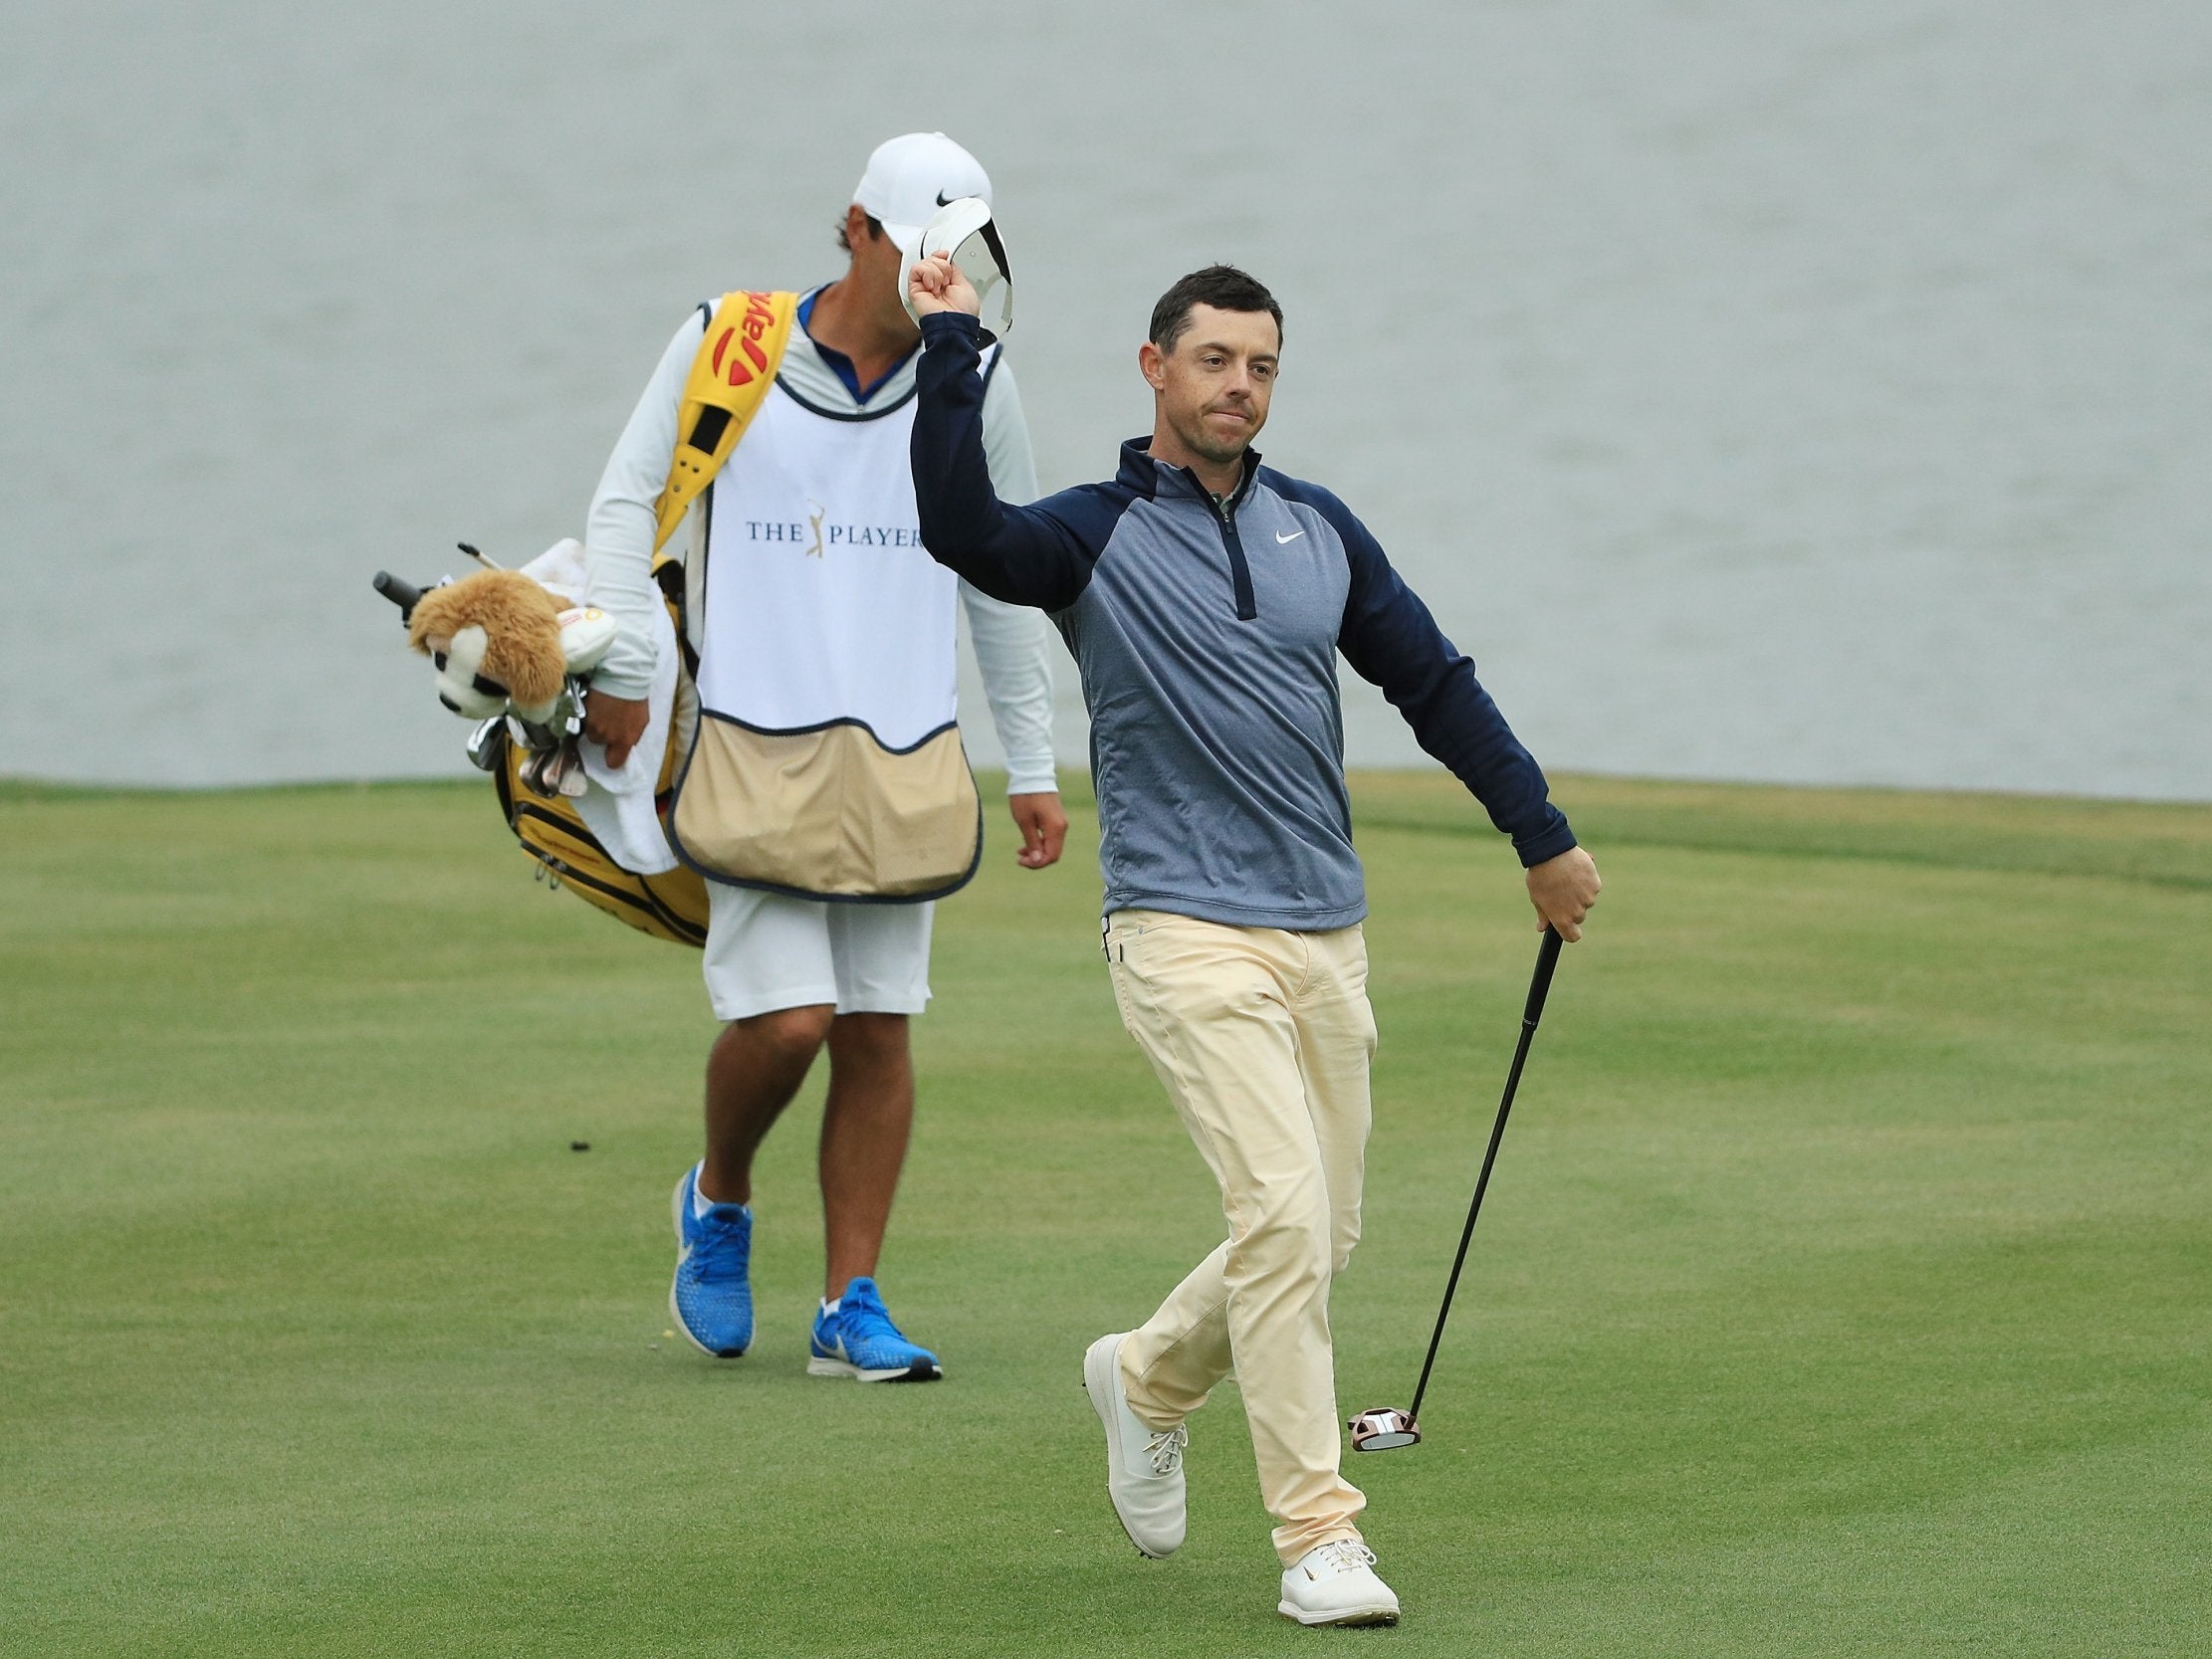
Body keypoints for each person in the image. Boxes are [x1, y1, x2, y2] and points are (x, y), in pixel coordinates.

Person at [905, 259, 1602, 1623]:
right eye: (1214, 358)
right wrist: (947, 342)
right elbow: (958, 529)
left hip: (1322, 929)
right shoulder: (1089, 532)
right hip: (1174, 923)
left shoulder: (1314, 528)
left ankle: (1149, 1374)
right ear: (1153, 367)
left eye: (1262, 364)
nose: (1239, 385)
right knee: (1278, 1213)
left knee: (1318, 1234)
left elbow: (1431, 681)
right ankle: (1316, 1534)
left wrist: (1538, 831)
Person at [579, 132, 1067, 1382]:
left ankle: (851, 1301)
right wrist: (627, 669)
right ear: (856, 230)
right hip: (752, 742)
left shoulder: (974, 376)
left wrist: (1032, 759)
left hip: (906, 755)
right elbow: (626, 505)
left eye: (957, 260)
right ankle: (720, 1197)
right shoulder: (729, 344)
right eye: (922, 254)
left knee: (878, 1031)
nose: (940, 281)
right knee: (788, 1020)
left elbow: (1005, 579)